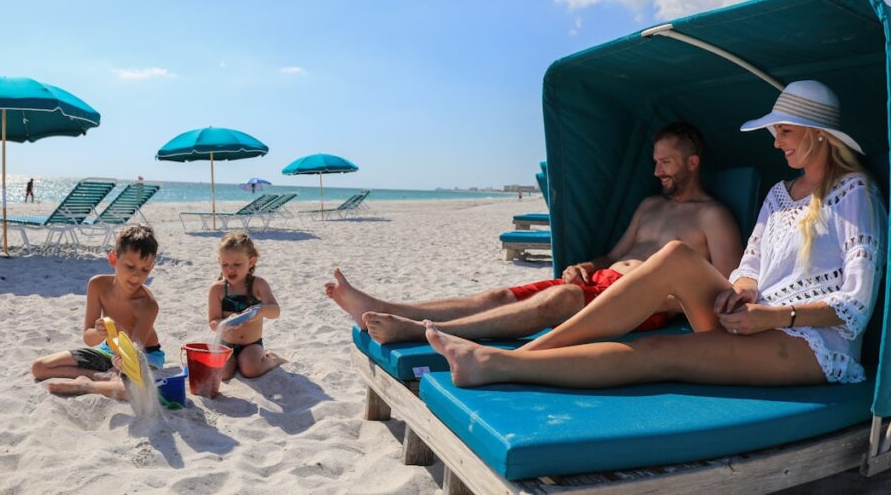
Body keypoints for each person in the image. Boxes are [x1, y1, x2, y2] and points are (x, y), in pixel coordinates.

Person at [426, 80, 886, 389]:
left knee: (660, 351)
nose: (776, 141)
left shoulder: (854, 193)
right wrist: (743, 292)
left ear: (820, 134)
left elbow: (857, 303)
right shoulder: (778, 194)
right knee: (674, 255)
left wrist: (775, 318)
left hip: (811, 343)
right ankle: (531, 352)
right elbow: (749, 267)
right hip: (754, 319)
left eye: (784, 131)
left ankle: (498, 363)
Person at [326, 122, 743, 343]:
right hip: (601, 283)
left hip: (644, 303)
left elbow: (718, 292)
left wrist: (662, 299)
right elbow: (613, 254)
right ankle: (383, 305)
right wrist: (585, 264)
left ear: (692, 162)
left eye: (666, 163)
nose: (656, 172)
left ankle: (420, 330)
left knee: (558, 300)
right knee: (496, 296)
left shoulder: (714, 217)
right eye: (654, 162)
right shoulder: (650, 205)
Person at [31, 225, 162, 398]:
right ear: (113, 259)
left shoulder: (148, 305)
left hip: (143, 355)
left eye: (144, 270)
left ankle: (89, 385)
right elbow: (88, 338)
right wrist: (102, 333)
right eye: (130, 266)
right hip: (108, 350)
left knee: (131, 390)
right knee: (40, 367)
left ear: (151, 268)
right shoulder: (97, 286)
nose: (137, 276)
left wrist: (120, 361)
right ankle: (103, 378)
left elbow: (134, 354)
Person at [207, 232, 284, 391]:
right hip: (226, 344)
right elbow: (213, 322)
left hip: (251, 344)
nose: (230, 269)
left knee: (251, 370)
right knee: (224, 374)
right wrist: (225, 324)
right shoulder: (218, 289)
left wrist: (261, 310)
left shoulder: (258, 285)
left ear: (251, 262)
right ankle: (234, 362)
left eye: (237, 264)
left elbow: (275, 311)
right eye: (225, 264)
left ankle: (272, 359)